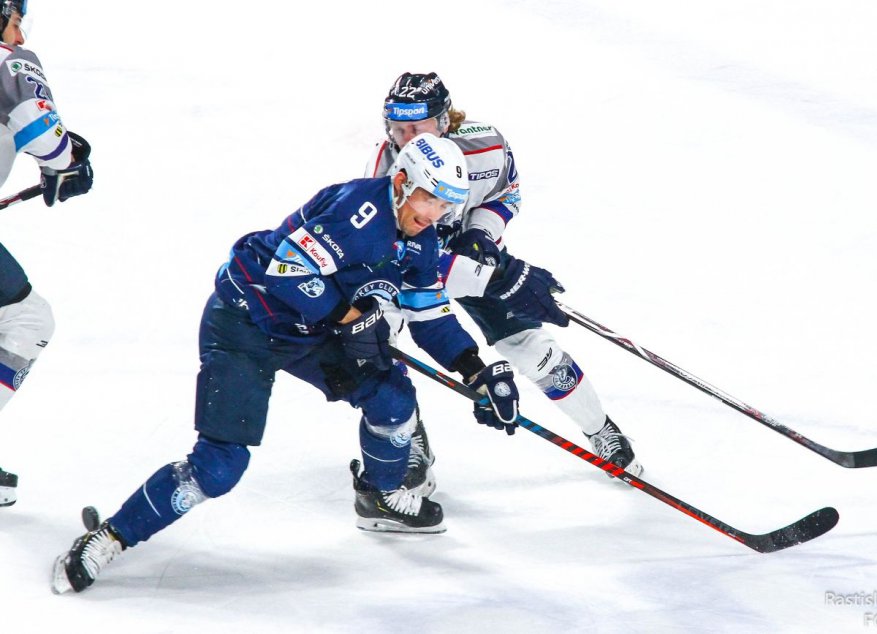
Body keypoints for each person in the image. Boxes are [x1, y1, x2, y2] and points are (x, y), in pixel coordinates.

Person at [50, 134, 521, 594]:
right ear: (401, 182)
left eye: (445, 205)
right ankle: (109, 537)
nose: (434, 214)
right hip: (246, 323)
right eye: (429, 199)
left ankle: (379, 496)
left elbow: (428, 313)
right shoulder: (359, 211)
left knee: (393, 399)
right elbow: (287, 271)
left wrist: (475, 370)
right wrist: (350, 319)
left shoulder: (421, 239)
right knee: (219, 467)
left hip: (312, 330)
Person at [366, 72, 642, 494]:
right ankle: (408, 440)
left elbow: (506, 192)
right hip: (407, 268)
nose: (406, 139)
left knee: (532, 347)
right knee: (378, 346)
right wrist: (494, 277)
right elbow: (403, 253)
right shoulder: (387, 170)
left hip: (466, 253)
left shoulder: (485, 146)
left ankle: (600, 428)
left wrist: (482, 233)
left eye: (417, 127)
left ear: (444, 122)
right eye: (398, 129)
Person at [0, 0, 94, 507]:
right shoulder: (9, 61)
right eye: (15, 21)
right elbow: (46, 138)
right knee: (28, 319)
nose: (19, 35)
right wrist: (68, 159)